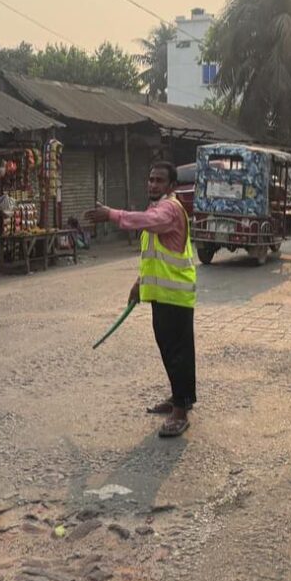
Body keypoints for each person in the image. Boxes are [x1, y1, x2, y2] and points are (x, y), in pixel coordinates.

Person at [85, 162, 196, 438]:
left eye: (159, 181)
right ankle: (180, 398)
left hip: (175, 296)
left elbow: (146, 223)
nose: (152, 185)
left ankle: (180, 412)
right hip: (162, 295)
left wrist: (112, 214)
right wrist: (139, 283)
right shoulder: (158, 208)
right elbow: (152, 254)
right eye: (150, 179)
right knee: (171, 351)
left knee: (177, 353)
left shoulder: (169, 208)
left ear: (171, 186)